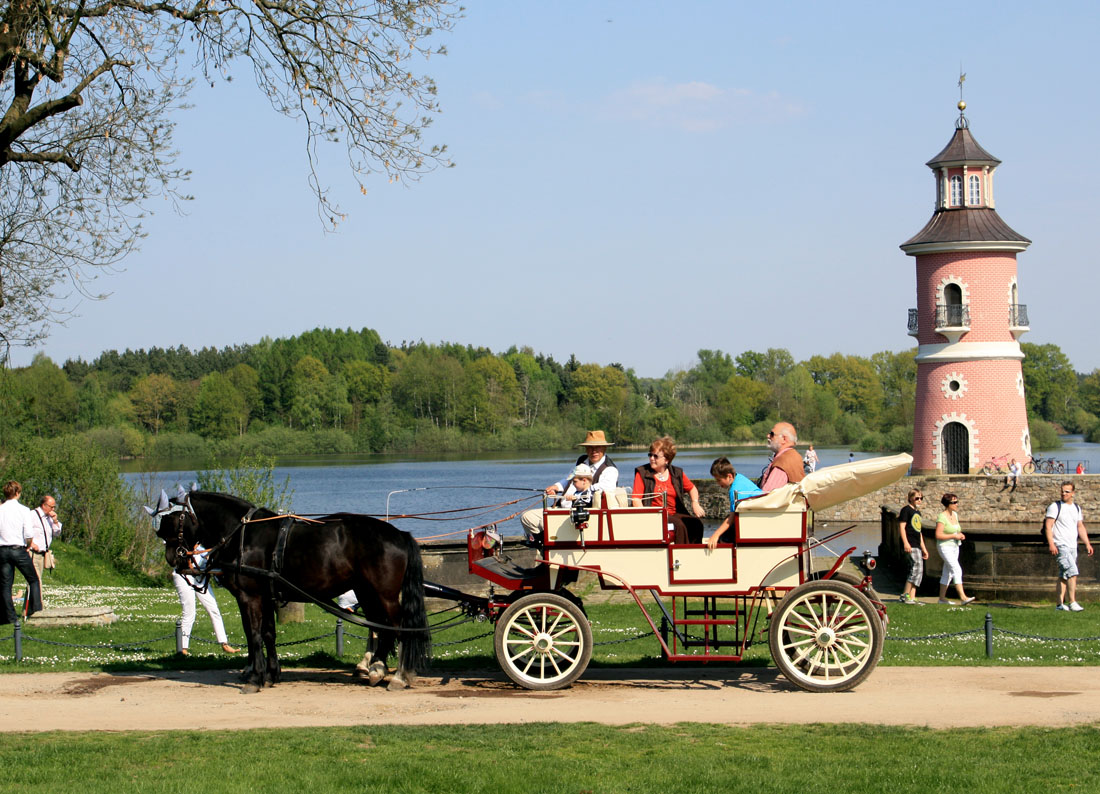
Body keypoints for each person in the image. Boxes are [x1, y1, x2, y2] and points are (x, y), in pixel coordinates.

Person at [520, 430, 618, 540]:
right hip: (562, 508)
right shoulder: (582, 460)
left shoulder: (610, 469)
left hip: (582, 514)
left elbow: (606, 489)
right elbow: (569, 479)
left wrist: (578, 495)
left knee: (546, 522)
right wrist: (556, 487)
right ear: (586, 449)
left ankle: (549, 543)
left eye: (597, 447)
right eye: (590, 447)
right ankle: (542, 543)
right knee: (527, 517)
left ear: (604, 448)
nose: (594, 451)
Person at [631, 436, 705, 544]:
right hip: (655, 514)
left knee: (696, 524)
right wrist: (645, 517)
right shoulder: (642, 473)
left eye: (655, 456)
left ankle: (694, 552)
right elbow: (636, 499)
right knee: (679, 525)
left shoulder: (676, 473)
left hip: (674, 513)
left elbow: (692, 488)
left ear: (666, 460)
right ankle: (679, 555)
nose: (651, 458)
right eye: (650, 455)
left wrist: (695, 503)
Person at [172, 545, 238, 656]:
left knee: (214, 609)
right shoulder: (187, 536)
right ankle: (182, 649)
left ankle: (224, 643)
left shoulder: (206, 538)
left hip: (201, 576)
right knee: (189, 613)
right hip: (184, 574)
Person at [1045, 482, 1093, 612]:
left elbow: (1080, 527)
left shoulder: (1076, 508)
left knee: (1064, 576)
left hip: (1073, 546)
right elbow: (1048, 526)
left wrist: (1087, 543)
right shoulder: (1055, 507)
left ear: (1073, 493)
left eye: (1067, 491)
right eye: (1062, 491)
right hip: (1061, 545)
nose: (1063, 493)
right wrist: (1051, 543)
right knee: (1073, 571)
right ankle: (1072, 602)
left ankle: (1059, 605)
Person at [0, 481, 42, 624]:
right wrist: (28, 546)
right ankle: (36, 612)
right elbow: (28, 534)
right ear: (17, 493)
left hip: (3, 549)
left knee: (6, 585)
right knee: (33, 579)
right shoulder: (24, 510)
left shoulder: (0, 509)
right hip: (18, 549)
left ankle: (9, 617)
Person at [706, 457, 764, 550]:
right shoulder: (739, 477)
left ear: (729, 476)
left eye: (719, 480)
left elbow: (731, 518)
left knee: (724, 537)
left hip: (755, 518)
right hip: (756, 513)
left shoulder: (735, 490)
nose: (717, 483)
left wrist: (715, 535)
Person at [934, 493, 976, 605]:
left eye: (957, 501)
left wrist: (959, 534)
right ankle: (963, 597)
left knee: (947, 572)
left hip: (955, 546)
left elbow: (955, 530)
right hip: (945, 547)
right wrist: (954, 535)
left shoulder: (955, 515)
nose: (957, 504)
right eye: (954, 502)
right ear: (947, 504)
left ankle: (941, 599)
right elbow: (938, 535)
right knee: (957, 569)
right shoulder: (941, 517)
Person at [897, 489, 929, 605]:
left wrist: (924, 548)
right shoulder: (906, 510)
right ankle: (905, 595)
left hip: (916, 544)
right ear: (910, 498)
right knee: (915, 567)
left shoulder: (917, 513)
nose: (919, 500)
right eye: (917, 498)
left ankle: (912, 596)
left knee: (918, 570)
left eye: (921, 498)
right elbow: (902, 527)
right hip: (910, 543)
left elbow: (919, 532)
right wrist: (905, 543)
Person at [27, 495, 62, 599]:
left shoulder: (49, 519)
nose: (53, 509)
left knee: (35, 581)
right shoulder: (32, 515)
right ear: (44, 505)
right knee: (36, 581)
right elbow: (24, 531)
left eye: (54, 507)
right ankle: (38, 608)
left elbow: (57, 533)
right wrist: (31, 544)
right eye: (51, 507)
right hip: (33, 553)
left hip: (43, 553)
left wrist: (55, 521)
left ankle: (28, 610)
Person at [759, 422, 805, 492]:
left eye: (772, 434)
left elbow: (768, 494)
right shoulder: (794, 455)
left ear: (784, 439)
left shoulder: (783, 461)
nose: (768, 436)